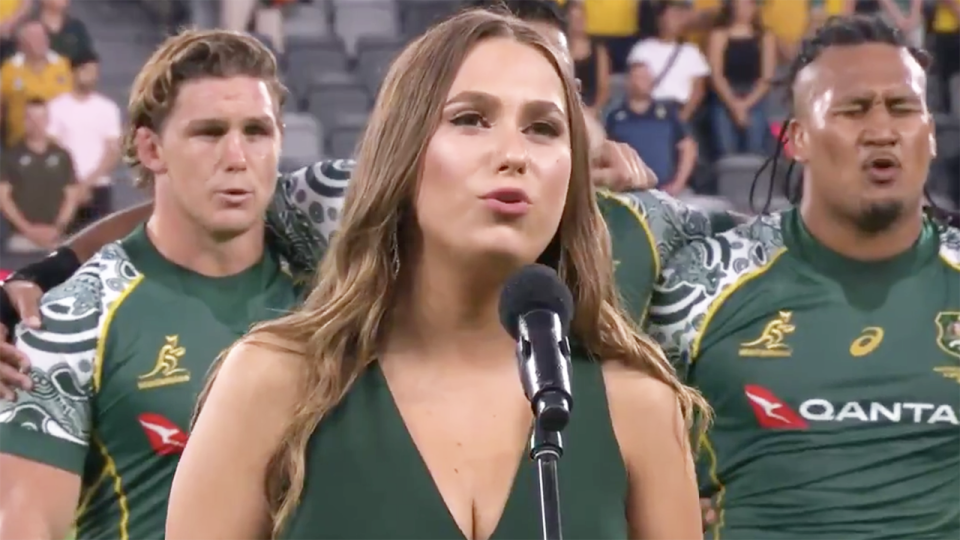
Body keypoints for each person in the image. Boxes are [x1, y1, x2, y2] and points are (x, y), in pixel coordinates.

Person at [0, 0, 744, 397]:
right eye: (477, 111)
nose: (510, 141)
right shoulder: (353, 199)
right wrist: (45, 272)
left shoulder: (651, 226)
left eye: (544, 101)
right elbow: (184, 207)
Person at [166, 10, 706, 540]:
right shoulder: (271, 384)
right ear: (402, 151)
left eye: (543, 128)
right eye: (470, 119)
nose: (514, 154)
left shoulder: (640, 408)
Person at [649, 15, 960, 539]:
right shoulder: (700, 284)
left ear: (929, 134)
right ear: (796, 139)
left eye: (904, 108)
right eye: (852, 110)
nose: (882, 131)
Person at [0, 29, 299, 540]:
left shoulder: (336, 284)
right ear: (151, 147)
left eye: (257, 131)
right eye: (208, 132)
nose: (237, 156)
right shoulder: (70, 323)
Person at [47, 48, 123, 231]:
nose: (92, 76)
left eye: (95, 72)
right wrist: (74, 185)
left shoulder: (108, 108)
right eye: (87, 71)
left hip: (99, 187)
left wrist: (87, 183)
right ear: (74, 72)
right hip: (64, 189)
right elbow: (53, 148)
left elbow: (112, 151)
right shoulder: (56, 107)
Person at [0, 98, 79, 252]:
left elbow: (71, 196)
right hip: (21, 240)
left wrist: (57, 228)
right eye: (31, 118)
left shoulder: (62, 155)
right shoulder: (10, 156)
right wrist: (29, 230)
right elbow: (3, 198)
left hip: (56, 238)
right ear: (24, 121)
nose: (36, 123)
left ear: (48, 120)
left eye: (41, 118)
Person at [706, 0, 775, 155]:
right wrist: (734, 105)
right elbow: (716, 75)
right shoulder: (719, 34)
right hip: (725, 95)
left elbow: (767, 78)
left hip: (754, 95)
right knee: (725, 148)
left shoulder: (765, 36)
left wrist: (745, 105)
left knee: (755, 147)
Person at [0, 20, 71, 147]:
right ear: (21, 44)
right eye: (34, 38)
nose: (41, 41)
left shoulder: (63, 65)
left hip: (59, 146)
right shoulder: (8, 70)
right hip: (19, 147)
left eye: (43, 36)